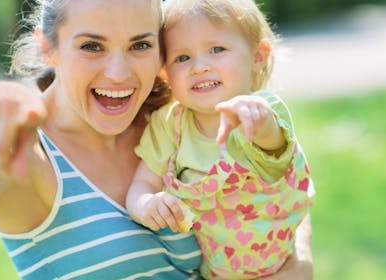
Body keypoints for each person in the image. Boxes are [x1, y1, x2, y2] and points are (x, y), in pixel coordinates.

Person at [0, 0, 312, 279]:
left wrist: (298, 257)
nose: (119, 74)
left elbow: (271, 183)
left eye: (140, 45)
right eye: (92, 46)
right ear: (48, 47)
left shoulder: (169, 120)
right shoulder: (30, 151)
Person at [126, 0, 315, 279]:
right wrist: (144, 204)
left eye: (217, 49)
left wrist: (260, 125)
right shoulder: (169, 125)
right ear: (165, 73)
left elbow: (275, 147)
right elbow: (144, 182)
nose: (199, 67)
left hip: (278, 268)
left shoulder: (262, 110)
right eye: (182, 58)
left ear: (257, 56)